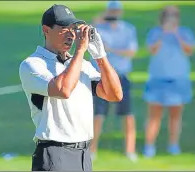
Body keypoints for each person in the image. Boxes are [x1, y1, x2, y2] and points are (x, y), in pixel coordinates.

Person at [19, 4, 123, 171]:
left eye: (73, 29)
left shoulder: (82, 64)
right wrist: (80, 50)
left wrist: (100, 56)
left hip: (83, 154)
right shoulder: (32, 64)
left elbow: (114, 95)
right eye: (63, 28)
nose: (71, 35)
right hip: (54, 154)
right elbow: (63, 90)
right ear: (46, 30)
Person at [89, 1, 138, 162]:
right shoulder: (99, 29)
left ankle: (130, 150)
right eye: (111, 11)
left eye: (116, 11)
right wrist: (101, 17)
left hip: (121, 76)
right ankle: (92, 150)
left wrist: (108, 51)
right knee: (98, 114)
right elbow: (87, 30)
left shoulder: (128, 29)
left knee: (127, 114)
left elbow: (131, 51)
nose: (114, 14)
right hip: (100, 77)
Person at [143, 5, 195, 157]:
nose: (171, 19)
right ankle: (149, 146)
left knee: (175, 115)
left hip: (178, 80)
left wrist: (177, 35)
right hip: (157, 79)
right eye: (168, 16)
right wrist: (164, 34)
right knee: (154, 116)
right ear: (163, 18)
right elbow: (152, 50)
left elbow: (189, 51)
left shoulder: (185, 32)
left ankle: (173, 144)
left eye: (174, 16)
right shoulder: (155, 33)